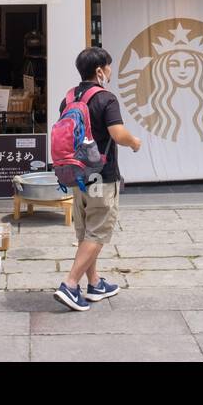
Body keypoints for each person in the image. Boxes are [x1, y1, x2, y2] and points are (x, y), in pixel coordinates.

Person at [53, 47, 141, 312]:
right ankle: (70, 284)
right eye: (109, 66)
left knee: (86, 232)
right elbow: (117, 133)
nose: (110, 71)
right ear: (100, 70)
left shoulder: (68, 98)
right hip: (102, 177)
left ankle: (94, 284)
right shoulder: (106, 99)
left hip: (77, 176)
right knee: (98, 232)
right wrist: (134, 142)